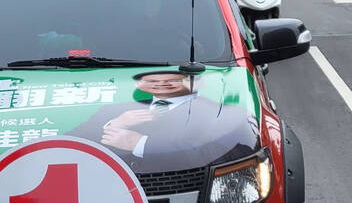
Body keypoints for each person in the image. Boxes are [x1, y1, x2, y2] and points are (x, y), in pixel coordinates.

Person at [69, 71, 256, 171]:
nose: (161, 81)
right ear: (138, 83)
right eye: (153, 78)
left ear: (198, 82)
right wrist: (113, 124)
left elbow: (224, 152)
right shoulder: (114, 111)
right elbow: (69, 141)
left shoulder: (220, 111)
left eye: (173, 78)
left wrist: (142, 144)